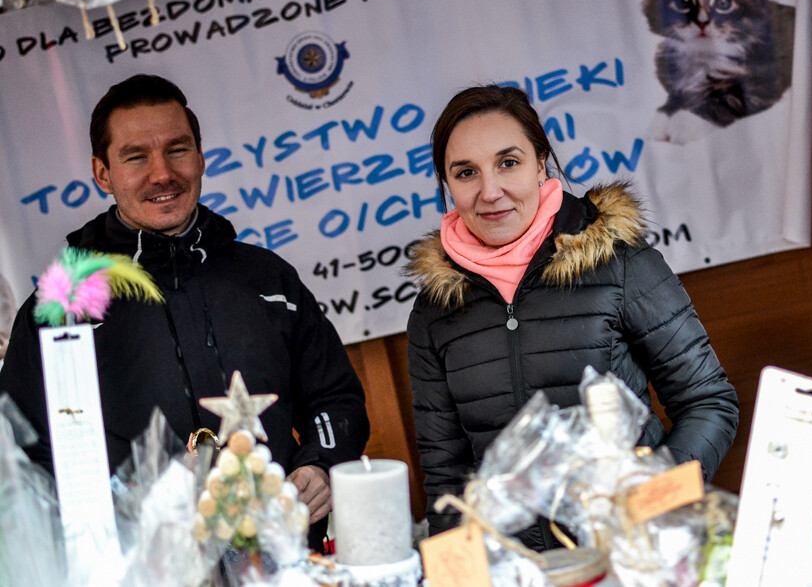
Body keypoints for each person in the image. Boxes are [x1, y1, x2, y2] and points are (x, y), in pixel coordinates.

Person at [0, 74, 370, 552]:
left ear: (200, 156)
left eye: (177, 149)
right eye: (136, 157)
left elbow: (336, 400)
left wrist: (319, 463)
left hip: (280, 555)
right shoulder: (62, 304)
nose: (162, 174)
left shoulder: (267, 277)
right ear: (102, 173)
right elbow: (22, 454)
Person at [406, 85, 739, 550]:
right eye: (466, 172)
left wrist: (653, 503)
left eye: (508, 162)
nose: (490, 191)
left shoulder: (617, 260)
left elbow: (708, 401)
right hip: (518, 574)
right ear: (447, 183)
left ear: (540, 162)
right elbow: (446, 476)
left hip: (638, 555)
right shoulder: (435, 311)